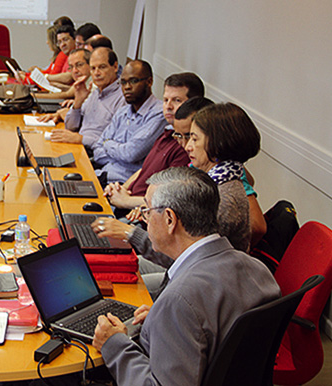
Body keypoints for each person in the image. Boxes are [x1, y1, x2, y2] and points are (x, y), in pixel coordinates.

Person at [92, 166, 280, 386]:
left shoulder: (180, 301)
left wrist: (114, 344)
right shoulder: (258, 269)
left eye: (147, 212)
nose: (144, 220)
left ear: (170, 220)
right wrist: (162, 322)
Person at [93, 102, 261, 287]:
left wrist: (129, 233)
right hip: (185, 274)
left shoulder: (225, 199)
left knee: (115, 281)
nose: (188, 147)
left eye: (195, 139)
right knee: (106, 270)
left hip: (200, 285)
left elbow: (183, 258)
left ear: (217, 144)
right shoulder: (213, 180)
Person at [103, 73, 205, 210]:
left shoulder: (187, 147)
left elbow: (169, 201)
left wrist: (126, 200)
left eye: (176, 100)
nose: (168, 106)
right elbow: (144, 169)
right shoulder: (167, 132)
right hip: (129, 201)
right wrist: (121, 189)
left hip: (142, 211)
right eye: (166, 100)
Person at [92, 60, 166, 184]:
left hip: (124, 186)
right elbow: (97, 151)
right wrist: (118, 153)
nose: (127, 87)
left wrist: (107, 143)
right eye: (123, 82)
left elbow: (130, 153)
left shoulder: (158, 114)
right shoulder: (122, 112)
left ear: (149, 82)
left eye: (133, 81)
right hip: (103, 175)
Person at [48, 47, 126, 147]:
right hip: (79, 146)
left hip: (95, 155)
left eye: (102, 67)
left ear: (115, 67)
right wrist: (78, 102)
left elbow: (115, 143)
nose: (97, 73)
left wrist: (81, 139)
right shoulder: (95, 93)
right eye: (93, 68)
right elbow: (71, 126)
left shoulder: (122, 99)